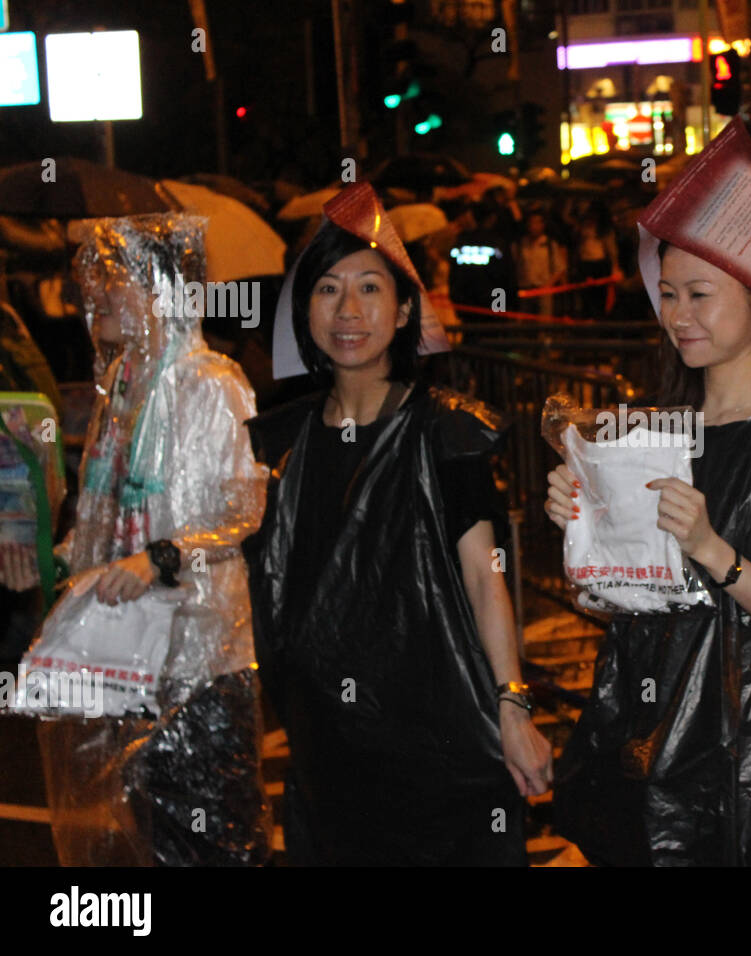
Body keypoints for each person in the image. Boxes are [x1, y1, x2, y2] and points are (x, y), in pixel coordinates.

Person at [548, 123, 751, 866]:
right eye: (666, 294)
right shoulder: (650, 432)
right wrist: (582, 531)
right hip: (640, 743)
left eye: (700, 293)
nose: (678, 315)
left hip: (750, 761)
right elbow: (612, 603)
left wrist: (714, 553)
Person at [243, 183, 552, 865]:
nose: (348, 311)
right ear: (305, 311)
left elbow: (484, 575)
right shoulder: (276, 444)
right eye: (327, 289)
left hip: (441, 746)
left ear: (406, 307)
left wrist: (513, 705)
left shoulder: (448, 431)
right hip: (326, 751)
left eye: (370, 289)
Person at [12, 213, 271, 866]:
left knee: (218, 844)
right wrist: (54, 555)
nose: (93, 296)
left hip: (202, 665)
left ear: (164, 291)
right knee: (150, 838)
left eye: (113, 279)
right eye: (91, 281)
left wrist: (159, 558)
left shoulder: (212, 383)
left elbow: (246, 508)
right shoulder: (123, 386)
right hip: (132, 664)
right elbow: (100, 513)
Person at [512, 208, 567, 317]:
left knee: (544, 322)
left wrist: (547, 285)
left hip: (543, 290)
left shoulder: (550, 244)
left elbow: (560, 268)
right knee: (524, 321)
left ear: (543, 225)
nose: (534, 226)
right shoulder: (520, 244)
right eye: (531, 222)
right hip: (525, 289)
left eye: (537, 222)